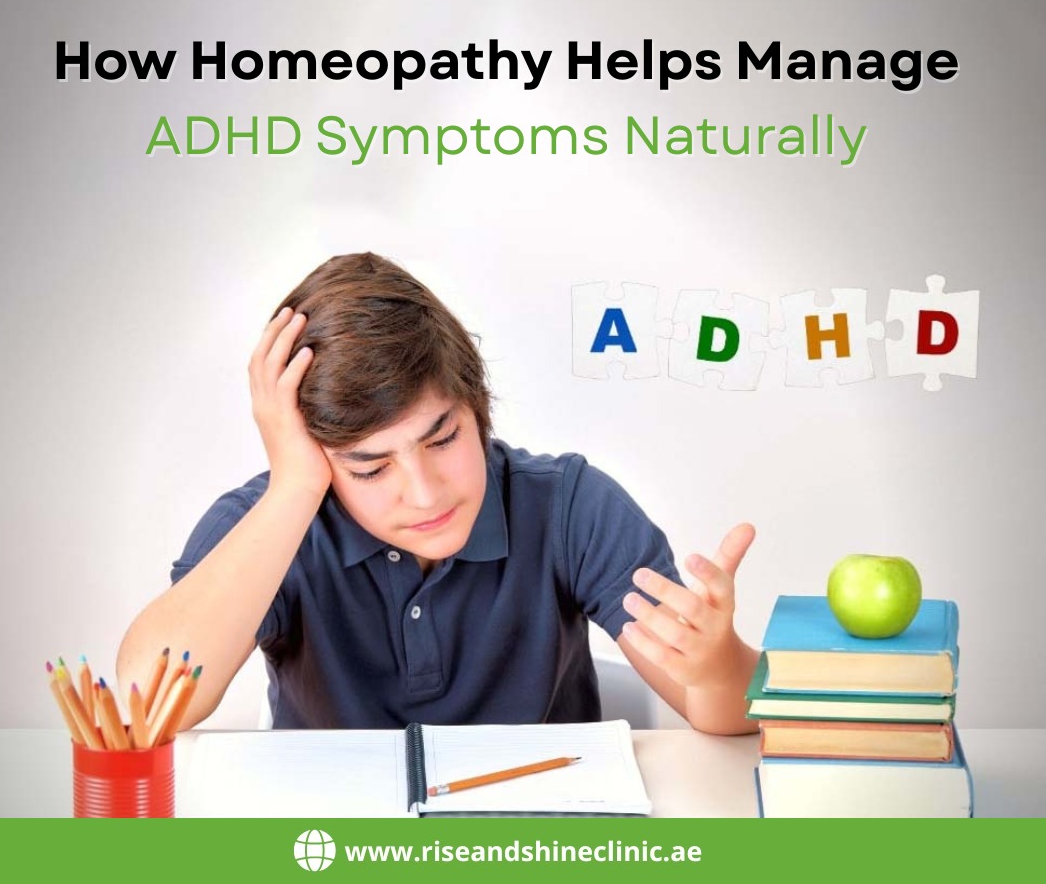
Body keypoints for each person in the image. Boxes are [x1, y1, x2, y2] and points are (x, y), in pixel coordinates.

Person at [117, 253, 760, 734]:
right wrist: (295, 487)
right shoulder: (267, 524)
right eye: (370, 468)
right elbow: (146, 704)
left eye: (443, 437)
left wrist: (715, 665)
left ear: (477, 409)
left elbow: (726, 715)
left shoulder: (569, 506)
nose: (424, 494)